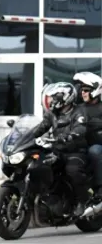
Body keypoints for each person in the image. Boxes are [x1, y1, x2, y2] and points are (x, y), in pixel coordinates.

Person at [33, 82, 90, 216]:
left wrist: (70, 136)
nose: (53, 100)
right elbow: (41, 127)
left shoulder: (79, 111)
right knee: (41, 166)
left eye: (56, 97)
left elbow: (80, 128)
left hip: (76, 151)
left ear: (66, 97)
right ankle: (49, 197)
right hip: (57, 150)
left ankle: (82, 201)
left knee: (72, 170)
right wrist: (27, 136)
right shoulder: (52, 114)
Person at [73, 72, 102, 196]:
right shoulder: (78, 108)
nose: (82, 93)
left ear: (95, 90)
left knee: (95, 151)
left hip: (96, 144)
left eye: (86, 90)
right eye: (82, 90)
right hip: (79, 144)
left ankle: (99, 188)